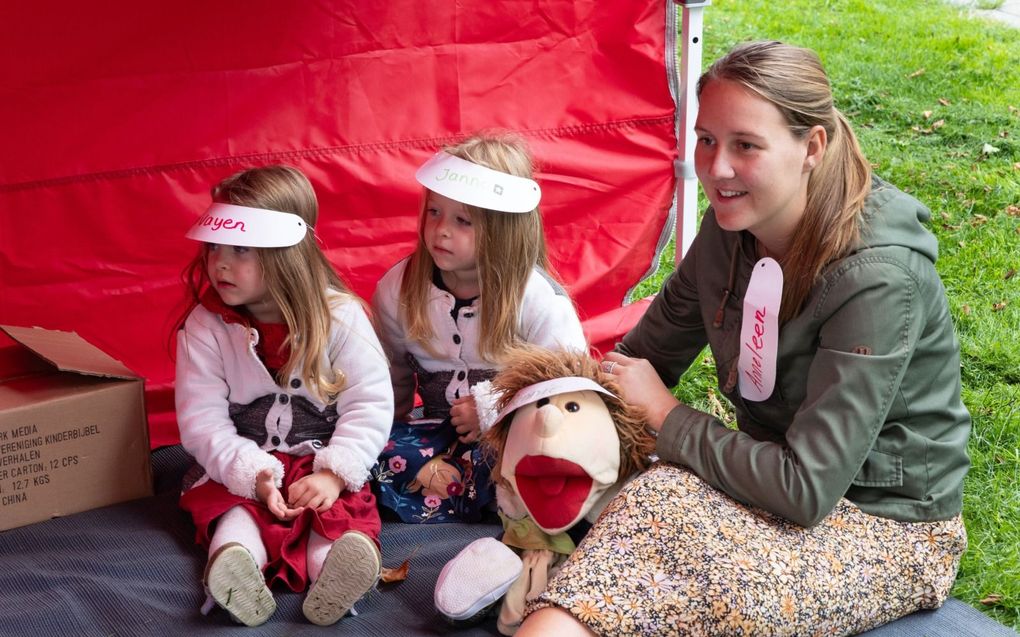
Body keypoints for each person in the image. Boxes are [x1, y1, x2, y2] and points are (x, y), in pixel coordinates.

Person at [517, 41, 971, 636]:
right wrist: (546, 413)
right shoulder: (731, 225)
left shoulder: (878, 278)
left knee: (669, 532)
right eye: (706, 139)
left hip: (887, 529)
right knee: (658, 498)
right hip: (761, 488)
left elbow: (806, 488)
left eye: (745, 146)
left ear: (812, 147)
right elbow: (641, 360)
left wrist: (668, 414)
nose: (716, 168)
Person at [174, 165, 393, 627]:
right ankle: (235, 567)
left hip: (321, 461)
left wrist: (334, 474)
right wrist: (251, 474)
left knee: (335, 516)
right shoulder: (205, 326)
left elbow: (370, 404)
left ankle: (335, 574)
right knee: (236, 513)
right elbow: (202, 421)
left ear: (287, 254)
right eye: (214, 246)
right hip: (243, 463)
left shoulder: (342, 317)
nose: (221, 263)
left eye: (241, 249)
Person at [372, 133, 587, 523]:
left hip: (510, 433)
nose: (441, 231)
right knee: (359, 447)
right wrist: (389, 440)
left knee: (542, 462)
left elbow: (568, 388)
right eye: (434, 213)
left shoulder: (536, 298)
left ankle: (506, 512)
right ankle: (440, 485)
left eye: (463, 221)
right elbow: (390, 382)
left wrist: (492, 409)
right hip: (431, 432)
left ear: (503, 230)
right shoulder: (397, 288)